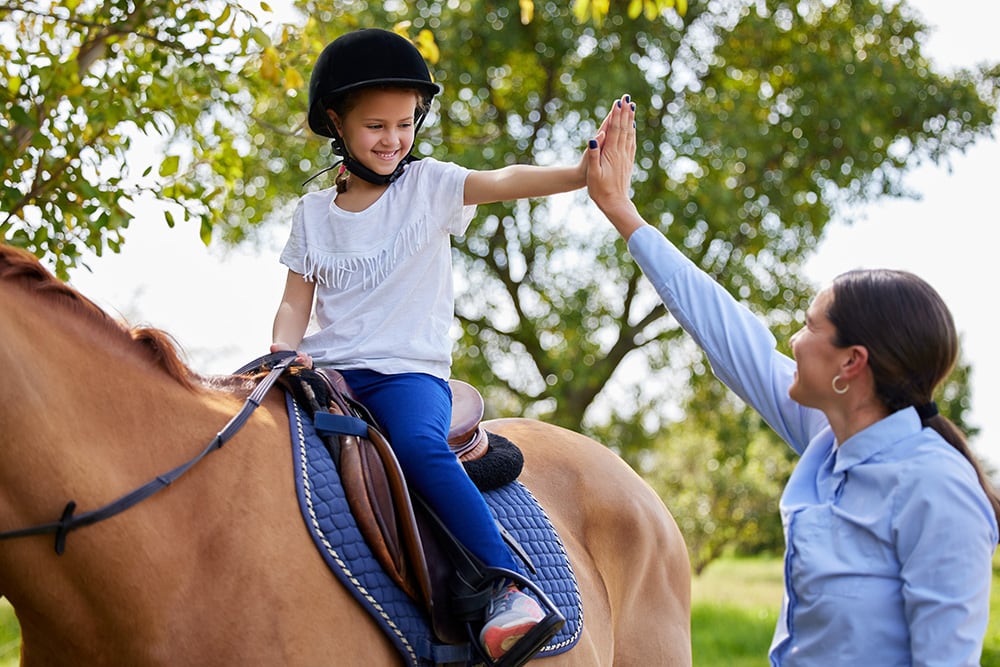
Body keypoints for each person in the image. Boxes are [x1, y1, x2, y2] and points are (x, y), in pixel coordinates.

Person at [586, 98, 1000, 665]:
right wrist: (620, 211)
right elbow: (729, 334)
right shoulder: (830, 438)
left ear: (851, 363)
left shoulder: (937, 488)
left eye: (809, 327)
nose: (793, 342)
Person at [270, 27, 613, 662]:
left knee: (419, 448)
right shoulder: (313, 215)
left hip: (405, 377)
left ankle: (506, 585)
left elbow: (503, 179)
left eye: (404, 123)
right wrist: (281, 351)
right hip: (329, 373)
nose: (393, 139)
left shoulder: (428, 186)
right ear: (335, 123)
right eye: (376, 125)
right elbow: (297, 300)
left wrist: (579, 173)